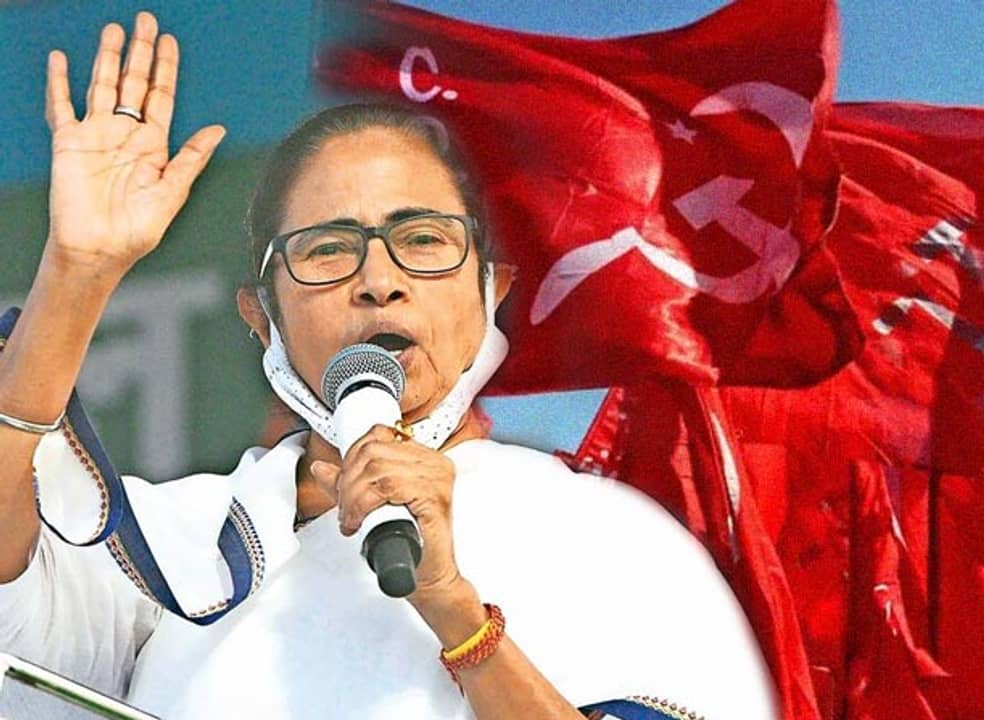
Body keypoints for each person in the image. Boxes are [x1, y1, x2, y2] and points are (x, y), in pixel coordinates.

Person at [0, 12, 777, 720]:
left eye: (424, 240)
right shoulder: (177, 549)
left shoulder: (604, 537)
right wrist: (76, 273)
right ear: (261, 317)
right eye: (327, 250)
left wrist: (456, 613)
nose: (378, 279)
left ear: (492, 291)